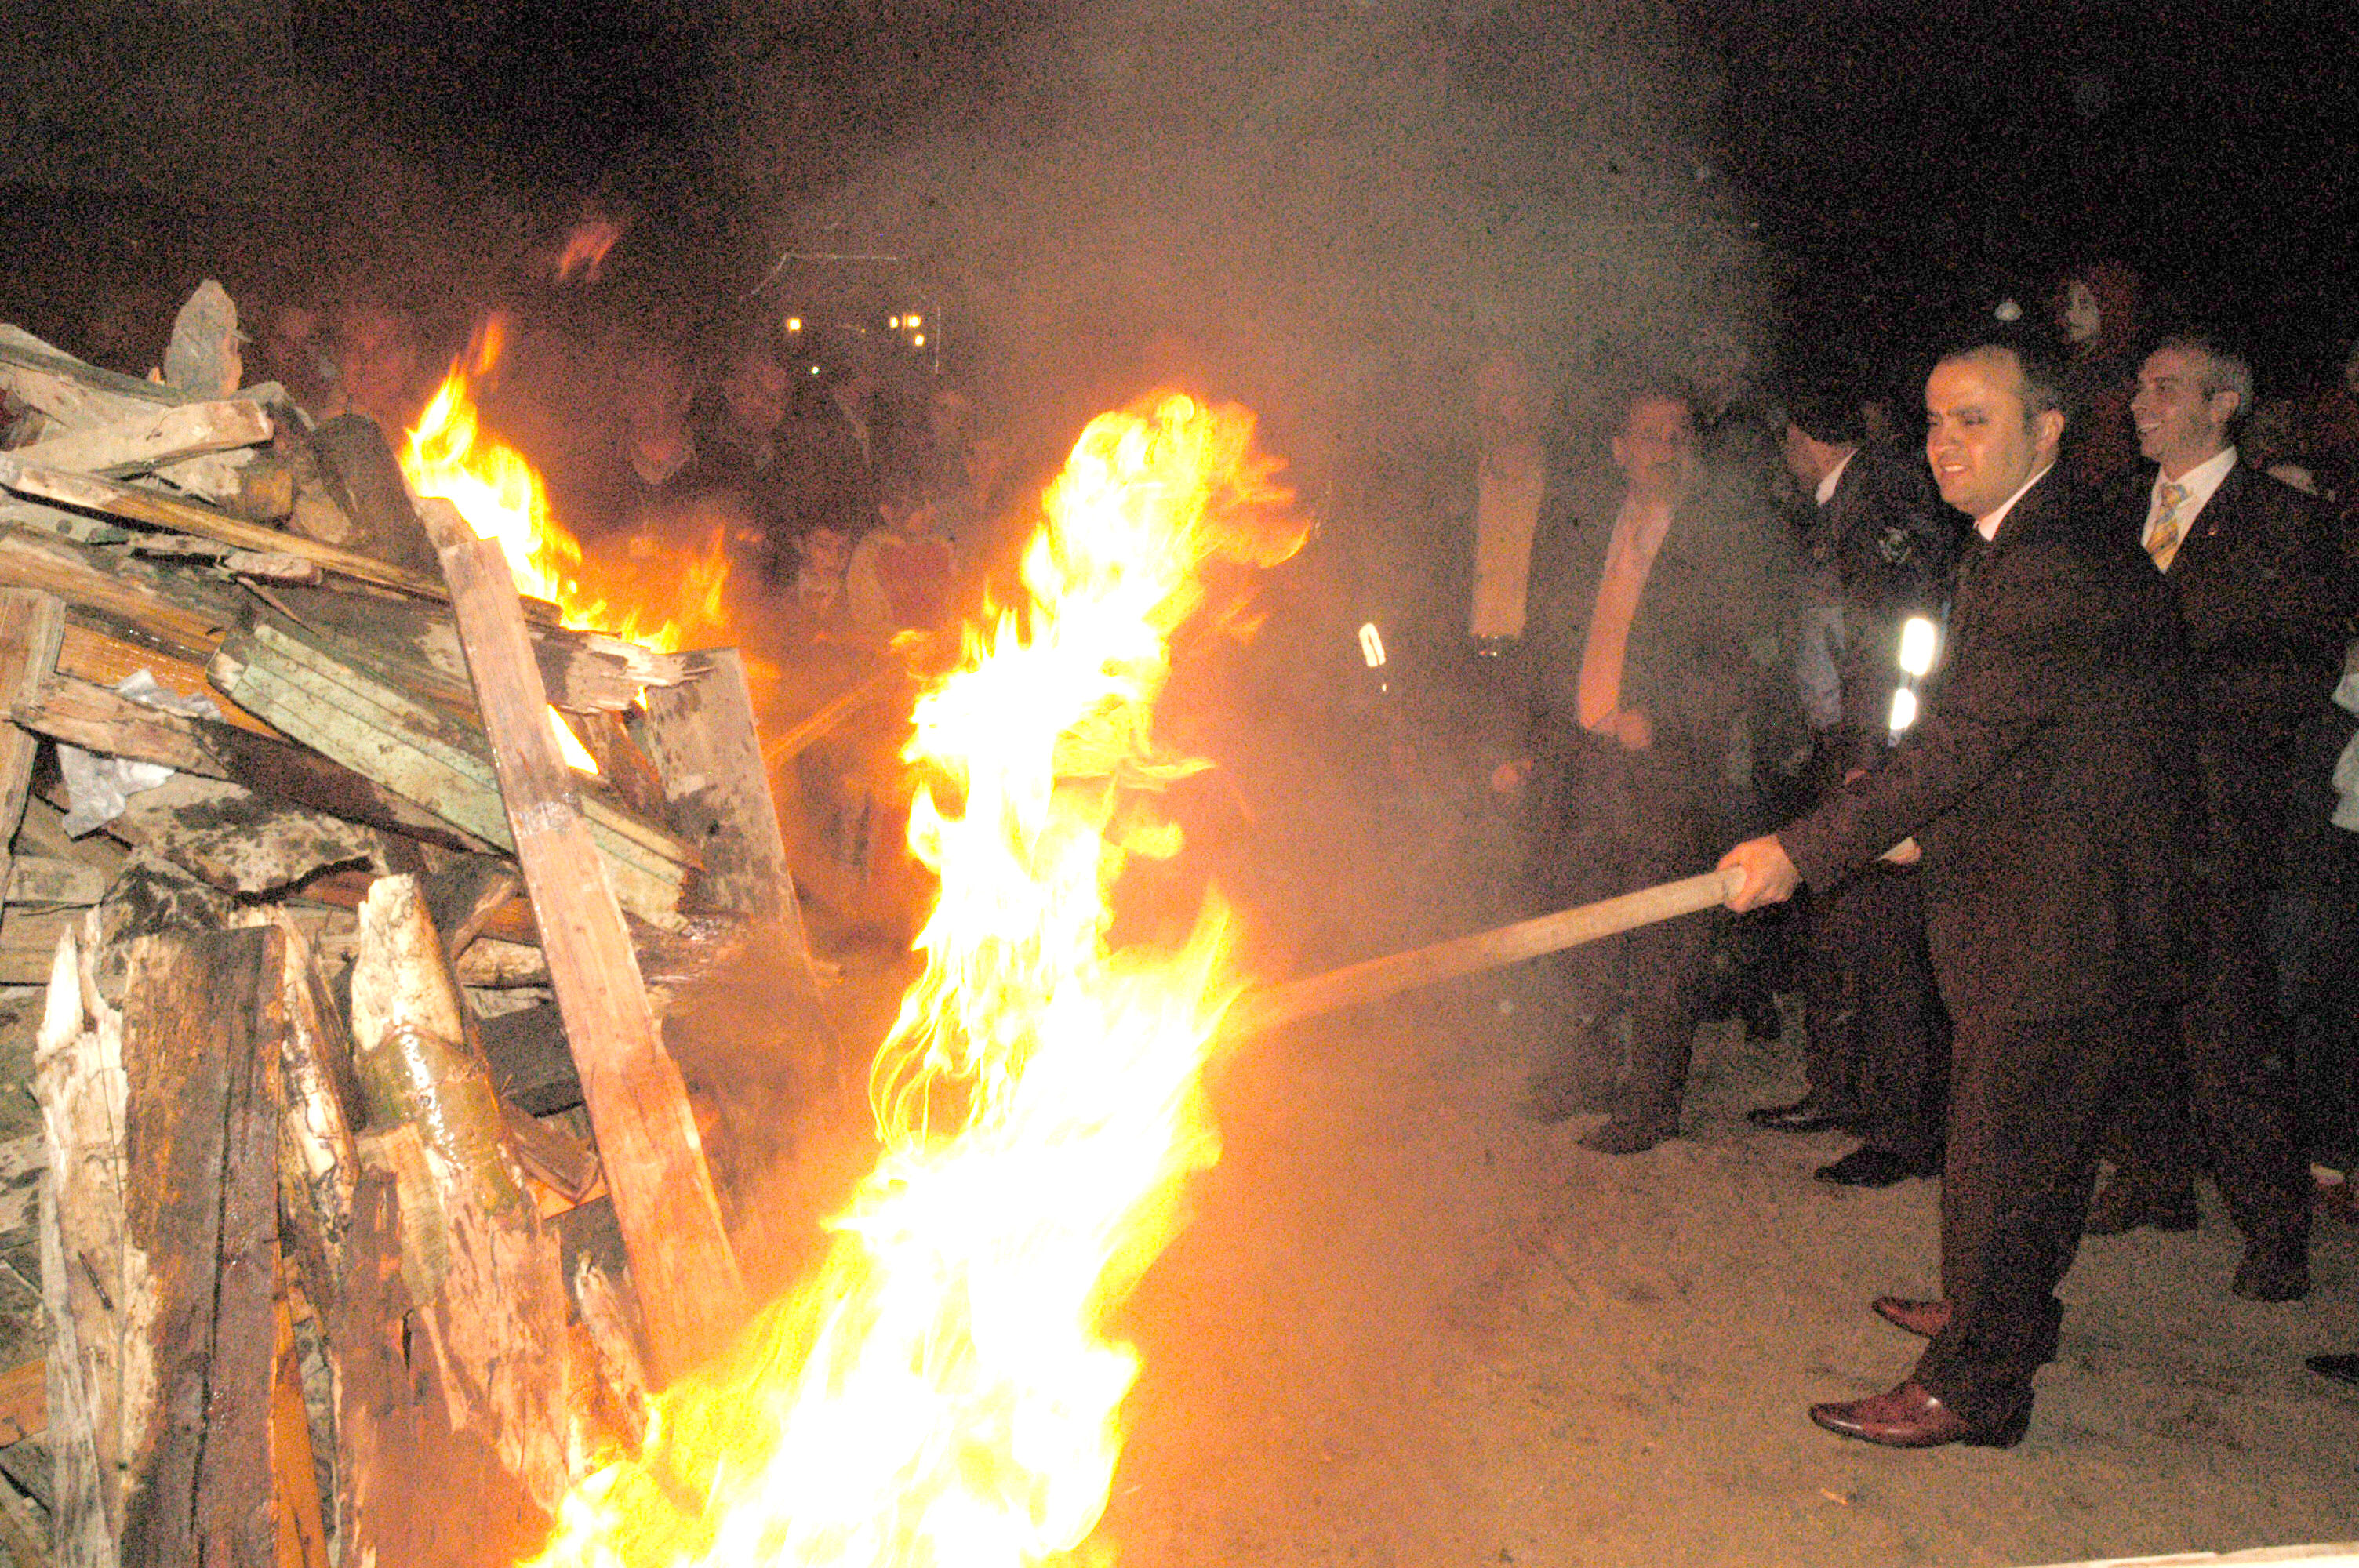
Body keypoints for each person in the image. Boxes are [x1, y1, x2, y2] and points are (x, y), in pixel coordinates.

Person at [1719, 336, 2201, 1450]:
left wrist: (1803, 851)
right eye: (1935, 420)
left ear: (2047, 430)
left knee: (2005, 1152)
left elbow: (1960, 744)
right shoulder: (2018, 538)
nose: (1946, 443)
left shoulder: (2052, 564)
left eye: (1975, 419)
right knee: (2023, 1149)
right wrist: (1915, 834)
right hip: (2053, 887)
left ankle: (1976, 1384)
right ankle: (1999, 1309)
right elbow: (2023, 741)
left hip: (2070, 917)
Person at [2073, 335, 2343, 1302]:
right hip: (2111, 805)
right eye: (2138, 385)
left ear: (2222, 403)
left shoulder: (2282, 522)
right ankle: (2152, 1176)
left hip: (2213, 813)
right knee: (2127, 1004)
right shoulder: (2108, 513)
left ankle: (2275, 1227)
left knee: (2225, 1026)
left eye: (2162, 387)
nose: (2138, 401)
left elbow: (2297, 670)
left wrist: (2166, 693)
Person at [1513, 385, 1761, 1153]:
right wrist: (1531, 738)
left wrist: (1662, 716)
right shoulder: (1586, 529)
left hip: (1662, 769)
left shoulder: (1715, 544)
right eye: (1649, 435)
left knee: (1661, 941)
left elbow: (1737, 665)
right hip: (1581, 761)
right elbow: (1547, 639)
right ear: (1619, 450)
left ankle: (1651, 1102)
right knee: (1575, 921)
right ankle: (1585, 1069)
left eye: (1677, 435)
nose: (1665, 448)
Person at [1750, 389, 1961, 1189]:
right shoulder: (1847, 501)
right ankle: (1840, 1089)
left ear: (1798, 432)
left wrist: (1872, 757)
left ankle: (1903, 1129)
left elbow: (1893, 641)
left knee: (1883, 946)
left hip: (1871, 758)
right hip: (1842, 744)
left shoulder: (1882, 503)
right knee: (1838, 936)